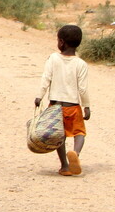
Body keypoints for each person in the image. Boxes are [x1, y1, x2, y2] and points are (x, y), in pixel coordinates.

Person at [34, 24, 91, 176]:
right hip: (73, 106)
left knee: (60, 135)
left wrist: (39, 96)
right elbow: (83, 89)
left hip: (55, 106)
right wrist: (86, 106)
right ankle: (76, 154)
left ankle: (65, 166)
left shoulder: (53, 58)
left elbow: (46, 78)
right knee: (79, 132)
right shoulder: (81, 64)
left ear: (61, 42)